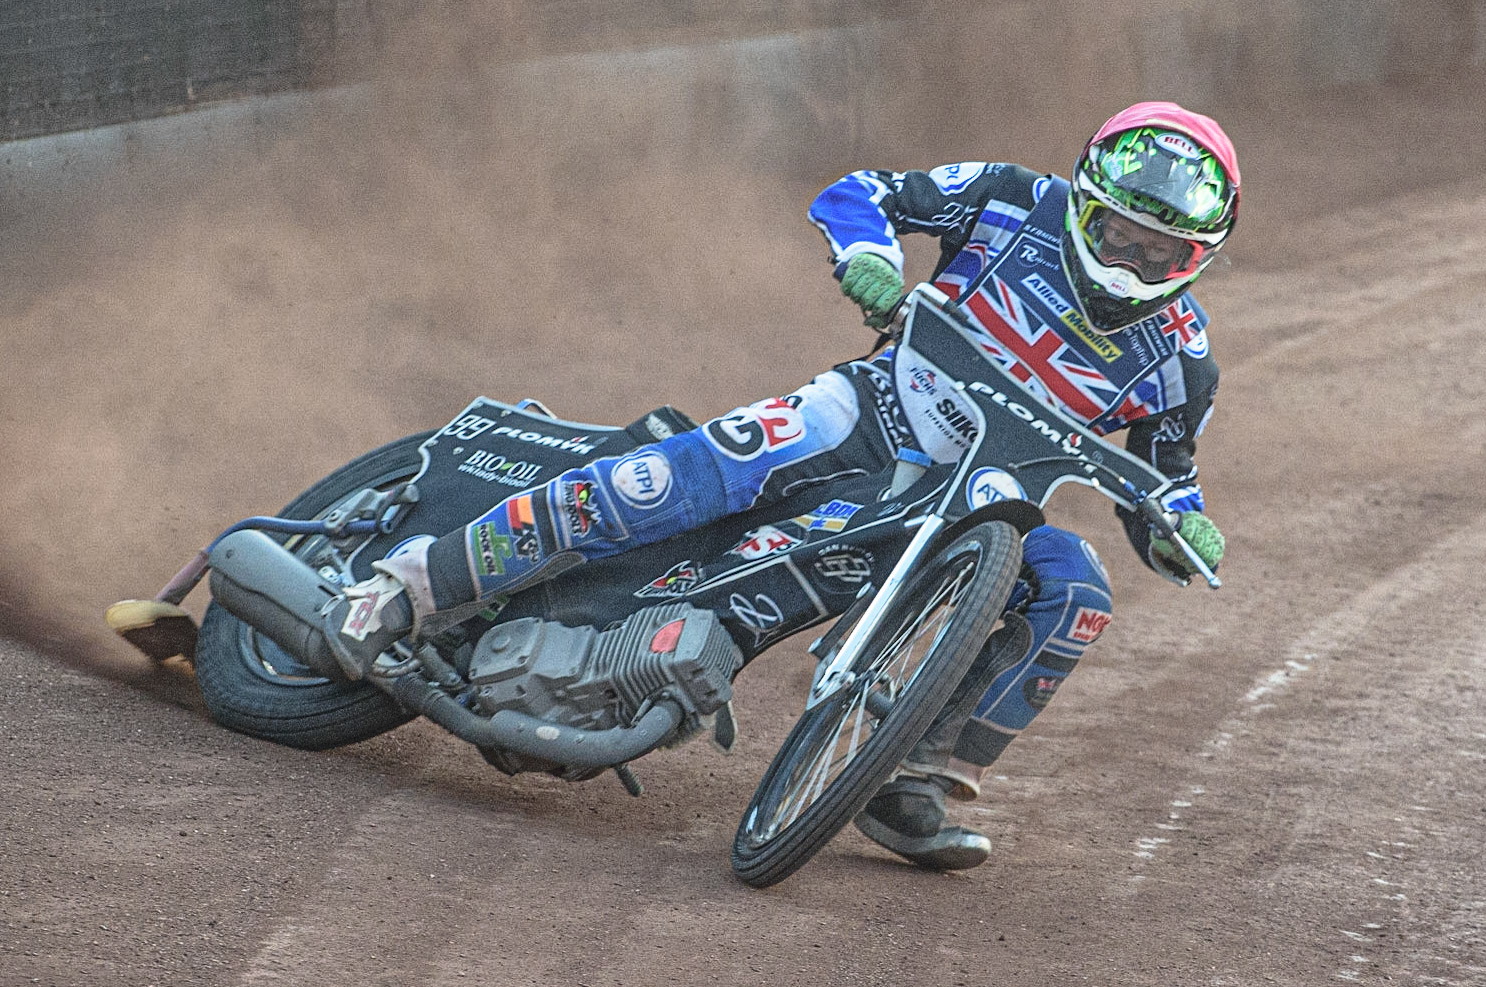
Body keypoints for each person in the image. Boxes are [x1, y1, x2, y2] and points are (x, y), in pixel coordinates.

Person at [323, 101, 1238, 871]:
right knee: (661, 484)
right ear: (1087, 200)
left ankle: (914, 773)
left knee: (1076, 589)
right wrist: (870, 255)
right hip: (869, 411)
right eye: (1122, 232)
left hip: (972, 510)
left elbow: (1164, 480)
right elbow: (861, 193)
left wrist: (1181, 529)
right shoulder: (1012, 199)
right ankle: (404, 587)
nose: (1133, 260)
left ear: (1197, 257)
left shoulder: (1181, 360)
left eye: (1161, 252)